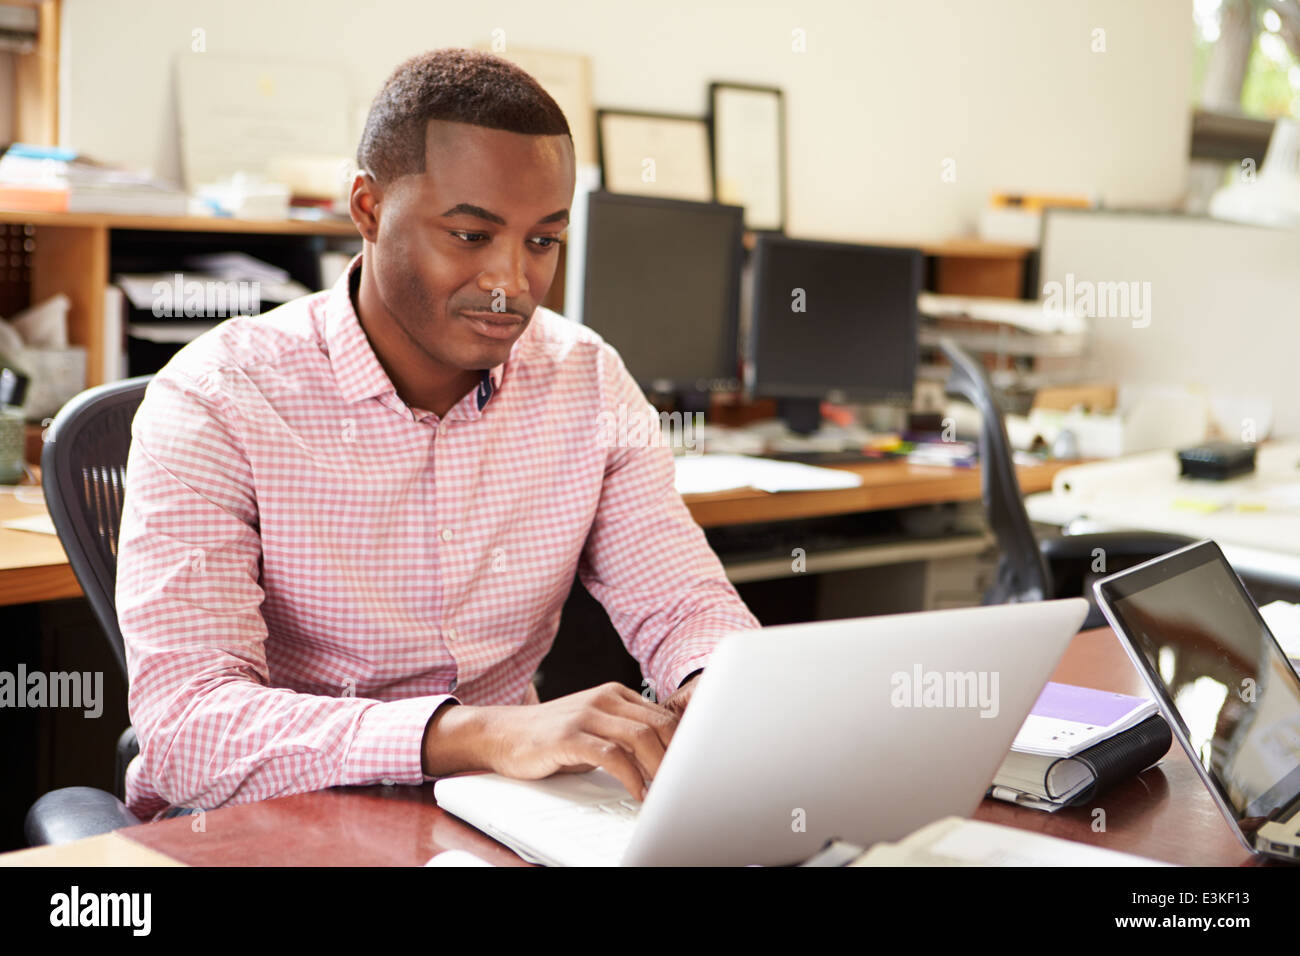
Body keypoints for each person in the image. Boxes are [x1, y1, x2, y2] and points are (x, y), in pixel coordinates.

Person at [115, 48, 760, 821]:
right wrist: (474, 733)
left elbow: (682, 604)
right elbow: (188, 732)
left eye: (542, 241)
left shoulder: (586, 381)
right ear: (367, 208)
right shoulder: (218, 399)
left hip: (505, 817)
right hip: (278, 822)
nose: (510, 284)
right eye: (469, 235)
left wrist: (714, 688)